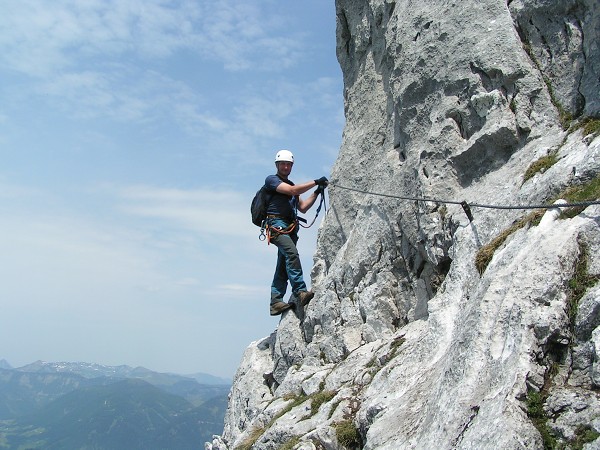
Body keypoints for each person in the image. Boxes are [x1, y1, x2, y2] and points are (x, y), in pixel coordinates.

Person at [265, 149, 328, 316]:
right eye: (283, 164)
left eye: (288, 164)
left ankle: (275, 301)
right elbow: (293, 192)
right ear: (277, 165)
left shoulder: (291, 185)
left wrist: (317, 191)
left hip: (289, 227)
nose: (285, 167)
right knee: (292, 254)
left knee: (283, 265)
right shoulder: (272, 181)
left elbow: (303, 208)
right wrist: (315, 182)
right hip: (276, 225)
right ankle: (300, 291)